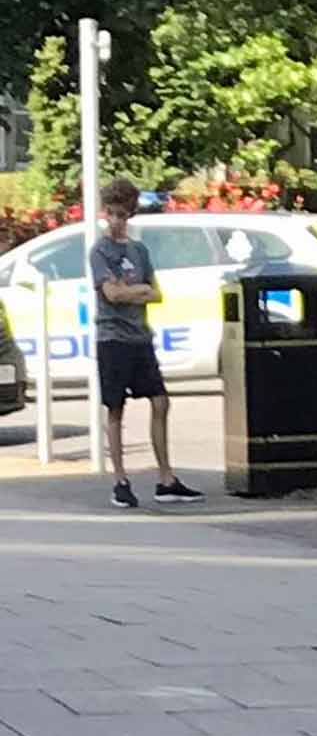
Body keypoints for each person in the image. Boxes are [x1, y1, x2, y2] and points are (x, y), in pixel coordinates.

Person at [92, 178, 204, 509]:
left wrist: (134, 292)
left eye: (122, 215)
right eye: (111, 214)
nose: (116, 222)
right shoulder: (100, 251)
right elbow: (110, 295)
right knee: (115, 408)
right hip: (113, 337)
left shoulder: (138, 251)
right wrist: (134, 292)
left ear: (130, 215)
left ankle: (166, 478)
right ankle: (120, 481)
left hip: (140, 336)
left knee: (159, 401)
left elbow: (155, 292)